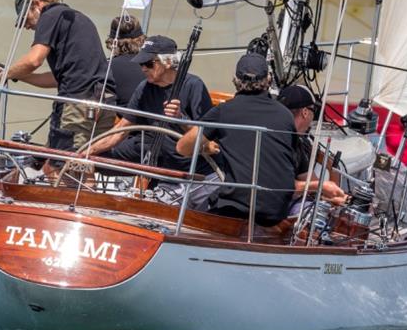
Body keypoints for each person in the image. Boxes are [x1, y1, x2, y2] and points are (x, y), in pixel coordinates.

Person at [0, 0, 117, 157]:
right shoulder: (76, 18)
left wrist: (1, 76)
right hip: (104, 103)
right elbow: (56, 78)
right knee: (81, 164)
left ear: (37, 4)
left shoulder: (50, 16)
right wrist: (15, 74)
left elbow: (33, 60)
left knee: (58, 167)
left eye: (25, 18)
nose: (26, 26)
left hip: (77, 103)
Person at [176, 54, 297, 226]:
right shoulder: (285, 115)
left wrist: (205, 148)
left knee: (191, 217)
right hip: (276, 211)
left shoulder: (224, 111)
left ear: (235, 80)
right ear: (268, 79)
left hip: (238, 208)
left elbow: (182, 148)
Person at [89, 35, 213, 175]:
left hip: (185, 162)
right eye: (141, 64)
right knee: (96, 159)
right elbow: (122, 129)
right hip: (152, 153)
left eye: (148, 64)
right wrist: (87, 152)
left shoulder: (193, 85)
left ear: (168, 62)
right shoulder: (144, 87)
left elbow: (206, 134)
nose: (143, 69)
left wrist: (180, 118)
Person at [277, 85, 347, 216]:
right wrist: (323, 186)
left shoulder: (298, 142)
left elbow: (311, 184)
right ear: (305, 112)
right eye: (313, 111)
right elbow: (282, 187)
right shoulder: (280, 140)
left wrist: (330, 167)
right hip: (275, 207)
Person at [105, 14, 147, 109]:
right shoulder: (152, 65)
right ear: (141, 39)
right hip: (152, 119)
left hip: (122, 120)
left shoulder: (107, 67)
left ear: (112, 41)